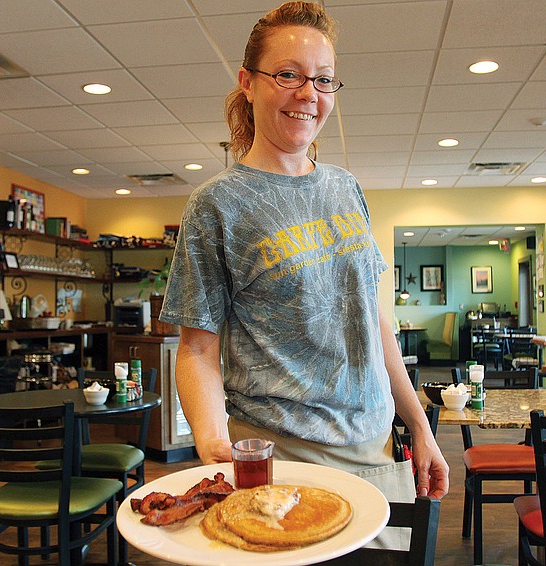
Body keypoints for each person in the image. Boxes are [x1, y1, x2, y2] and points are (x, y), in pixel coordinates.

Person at [160, 1, 448, 508]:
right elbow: (198, 348)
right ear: (247, 81)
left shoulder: (345, 188)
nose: (307, 94)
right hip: (282, 454)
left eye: (323, 79)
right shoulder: (218, 203)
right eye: (288, 74)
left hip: (375, 445)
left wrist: (419, 425)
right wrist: (214, 447)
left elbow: (374, 320)